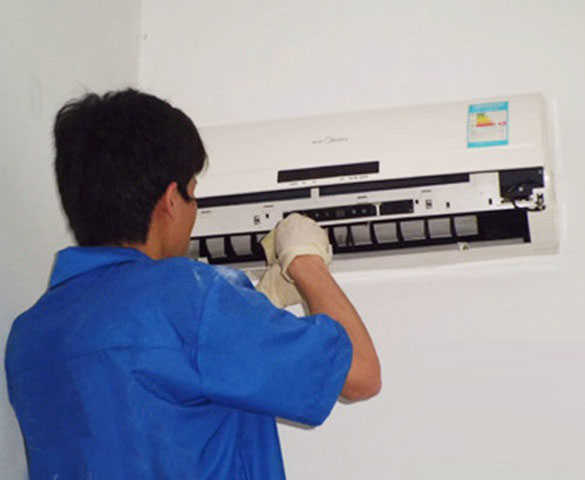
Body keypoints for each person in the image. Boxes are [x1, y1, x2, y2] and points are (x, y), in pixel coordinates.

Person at [4, 89, 381, 479]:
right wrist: (304, 260)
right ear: (171, 199)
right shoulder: (188, 296)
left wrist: (258, 303)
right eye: (193, 194)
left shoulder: (30, 336)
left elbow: (155, 400)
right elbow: (361, 374)